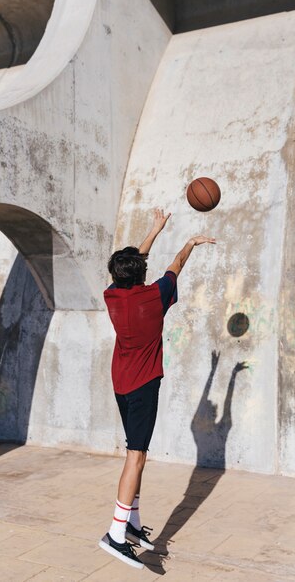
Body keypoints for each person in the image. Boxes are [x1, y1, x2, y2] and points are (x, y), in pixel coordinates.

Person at [98, 208, 215, 569]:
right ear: (142, 274)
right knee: (136, 454)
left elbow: (135, 263)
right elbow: (176, 264)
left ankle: (131, 524)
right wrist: (190, 242)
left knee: (139, 453)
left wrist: (154, 230)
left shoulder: (112, 296)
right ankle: (115, 535)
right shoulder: (156, 296)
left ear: (116, 275)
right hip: (143, 385)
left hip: (121, 381)